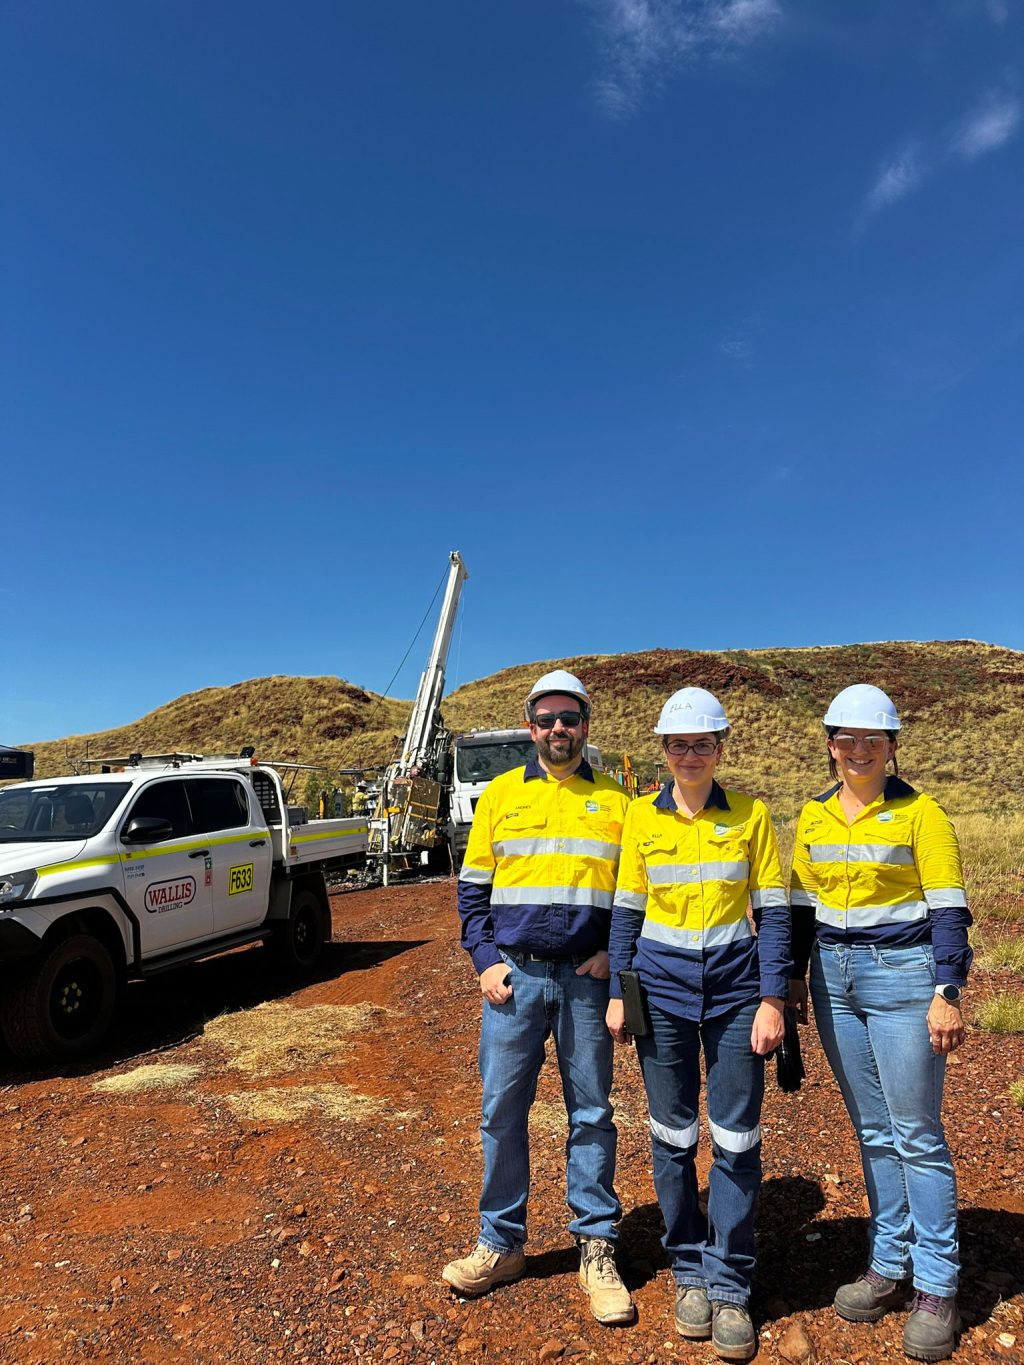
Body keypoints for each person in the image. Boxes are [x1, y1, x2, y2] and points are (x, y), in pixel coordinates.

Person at [442, 669, 635, 1325]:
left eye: (569, 718)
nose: (559, 728)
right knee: (501, 1111)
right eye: (547, 718)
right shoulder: (499, 796)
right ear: (530, 727)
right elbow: (472, 892)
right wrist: (484, 962)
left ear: (585, 725)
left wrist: (613, 954)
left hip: (587, 981)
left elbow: (633, 895)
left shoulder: (618, 801)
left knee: (592, 1114)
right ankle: (500, 1243)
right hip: (514, 981)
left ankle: (597, 1247)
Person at [606, 687, 790, 1362]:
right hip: (661, 995)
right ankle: (688, 1266)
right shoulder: (640, 817)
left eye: (703, 744)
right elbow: (626, 913)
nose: (691, 755)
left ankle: (730, 1283)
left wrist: (773, 998)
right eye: (679, 745)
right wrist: (620, 993)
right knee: (672, 1134)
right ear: (664, 750)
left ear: (720, 748)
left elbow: (773, 912)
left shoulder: (751, 815)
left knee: (736, 1139)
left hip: (737, 994)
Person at [789, 684, 971, 1364]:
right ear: (831, 744)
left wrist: (947, 989)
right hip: (832, 979)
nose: (859, 749)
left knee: (916, 1134)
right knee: (872, 1130)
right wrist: (792, 978)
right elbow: (800, 905)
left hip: (903, 976)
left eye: (874, 739)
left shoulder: (922, 814)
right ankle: (889, 1263)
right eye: (847, 738)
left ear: (892, 746)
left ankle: (938, 1286)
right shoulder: (814, 814)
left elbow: (948, 907)